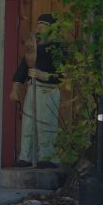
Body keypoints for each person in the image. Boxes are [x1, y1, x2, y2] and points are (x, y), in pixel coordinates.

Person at [10, 13, 62, 167]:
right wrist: (16, 88)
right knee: (28, 123)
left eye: (43, 25)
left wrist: (44, 75)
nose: (38, 27)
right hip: (32, 89)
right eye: (38, 24)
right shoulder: (33, 48)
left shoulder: (57, 48)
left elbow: (64, 75)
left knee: (46, 123)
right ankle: (26, 156)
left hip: (48, 90)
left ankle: (46, 157)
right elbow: (22, 70)